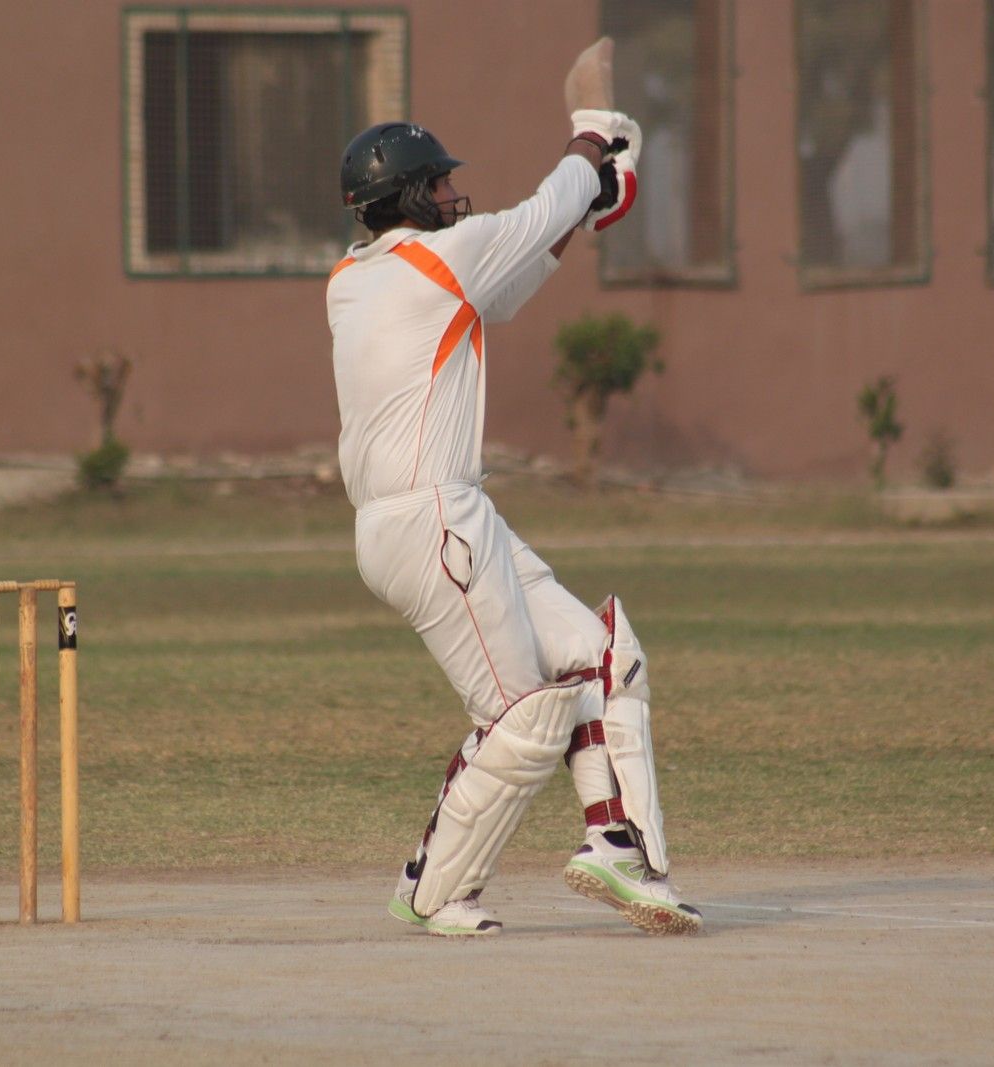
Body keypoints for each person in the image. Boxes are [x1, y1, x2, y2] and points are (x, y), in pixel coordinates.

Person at [325, 39, 700, 938]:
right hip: (432, 521)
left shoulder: (360, 279)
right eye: (441, 184)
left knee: (604, 656)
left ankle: (621, 850)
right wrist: (592, 141)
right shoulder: (440, 262)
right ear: (410, 196)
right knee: (523, 714)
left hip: (444, 515)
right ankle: (433, 889)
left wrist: (588, 203)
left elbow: (518, 270)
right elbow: (537, 216)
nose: (456, 195)